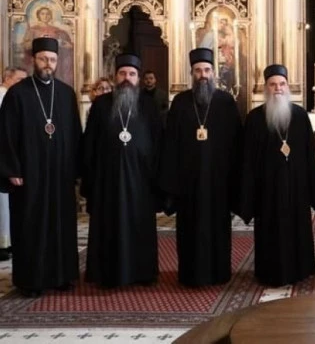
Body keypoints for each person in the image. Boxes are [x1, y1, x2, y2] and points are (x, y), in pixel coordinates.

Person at [0, 39, 80, 297]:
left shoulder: (66, 94)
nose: (48, 64)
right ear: (33, 60)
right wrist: (12, 169)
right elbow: (6, 134)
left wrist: (76, 169)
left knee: (61, 223)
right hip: (29, 174)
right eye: (43, 58)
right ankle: (30, 280)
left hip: (60, 175)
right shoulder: (17, 94)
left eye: (52, 60)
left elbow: (75, 135)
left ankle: (62, 276)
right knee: (31, 224)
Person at [239, 64, 315, 286]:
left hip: (297, 187)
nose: (277, 88)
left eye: (282, 84)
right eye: (273, 84)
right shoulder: (255, 119)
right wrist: (248, 198)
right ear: (266, 88)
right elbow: (247, 161)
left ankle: (300, 269)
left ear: (287, 87)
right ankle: (269, 272)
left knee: (297, 228)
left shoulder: (299, 116)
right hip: (267, 189)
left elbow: (311, 157)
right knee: (270, 231)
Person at [159, 48, 241, 286]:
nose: (203, 75)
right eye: (198, 71)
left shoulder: (226, 102)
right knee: (189, 229)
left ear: (213, 73)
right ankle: (190, 274)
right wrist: (172, 184)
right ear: (192, 73)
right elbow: (170, 144)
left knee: (218, 228)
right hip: (189, 183)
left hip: (218, 182)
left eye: (206, 70)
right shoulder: (180, 103)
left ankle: (219, 273)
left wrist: (233, 180)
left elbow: (236, 144)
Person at [81, 53, 163, 288]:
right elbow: (90, 144)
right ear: (115, 76)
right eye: (123, 73)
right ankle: (107, 274)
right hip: (107, 181)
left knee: (140, 225)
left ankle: (142, 273)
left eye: (132, 74)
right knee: (109, 225)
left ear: (138, 78)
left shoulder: (149, 106)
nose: (127, 78)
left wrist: (156, 178)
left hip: (141, 181)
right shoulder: (101, 105)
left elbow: (158, 143)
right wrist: (90, 179)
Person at [0, 67, 27, 262]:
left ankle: (7, 242)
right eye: (19, 79)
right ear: (7, 78)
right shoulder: (5, 96)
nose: (22, 84)